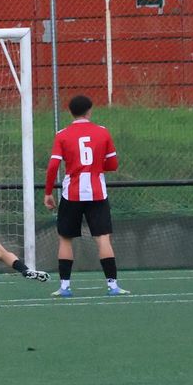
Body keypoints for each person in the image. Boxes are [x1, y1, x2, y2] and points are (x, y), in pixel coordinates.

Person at [43, 94, 127, 297]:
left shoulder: (62, 134)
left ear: (70, 112)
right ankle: (113, 285)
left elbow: (54, 165)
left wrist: (48, 193)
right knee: (103, 238)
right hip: (97, 193)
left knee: (65, 239)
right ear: (90, 111)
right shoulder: (102, 132)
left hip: (72, 193)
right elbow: (113, 164)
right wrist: (98, 166)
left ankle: (64, 287)